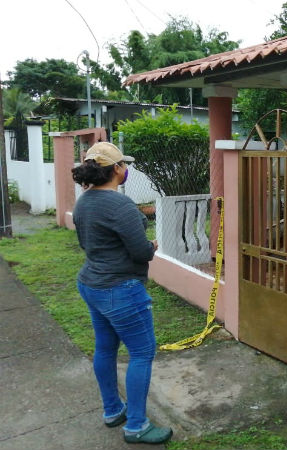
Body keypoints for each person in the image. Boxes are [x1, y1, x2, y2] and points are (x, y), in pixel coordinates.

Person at [71, 142, 172, 445]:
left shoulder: (84, 202)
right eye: (123, 165)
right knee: (142, 353)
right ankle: (137, 426)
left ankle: (113, 410)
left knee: (105, 348)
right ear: (115, 169)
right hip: (120, 290)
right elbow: (141, 252)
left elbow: (87, 244)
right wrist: (151, 246)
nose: (126, 169)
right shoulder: (120, 205)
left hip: (91, 284)